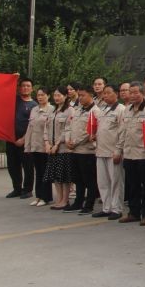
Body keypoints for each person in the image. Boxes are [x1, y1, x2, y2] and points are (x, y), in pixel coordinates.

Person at [120, 81, 145, 226]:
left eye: (136, 92)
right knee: (132, 185)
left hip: (144, 154)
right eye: (131, 92)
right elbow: (123, 131)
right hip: (129, 153)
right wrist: (120, 149)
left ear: (142, 93)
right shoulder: (127, 110)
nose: (133, 95)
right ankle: (133, 212)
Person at [92, 83, 125, 220]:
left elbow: (122, 132)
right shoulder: (103, 109)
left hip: (113, 152)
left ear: (116, 94)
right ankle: (106, 207)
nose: (105, 96)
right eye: (104, 93)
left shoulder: (121, 109)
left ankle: (116, 208)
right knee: (103, 182)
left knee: (116, 181)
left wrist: (118, 150)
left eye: (108, 93)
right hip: (101, 150)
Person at [65, 85, 99, 215]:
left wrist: (75, 142)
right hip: (74, 150)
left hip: (87, 151)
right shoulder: (77, 110)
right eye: (79, 95)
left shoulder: (95, 111)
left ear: (91, 95)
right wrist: (68, 140)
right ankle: (78, 202)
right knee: (77, 178)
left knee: (89, 179)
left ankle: (89, 205)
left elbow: (89, 132)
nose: (80, 98)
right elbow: (69, 126)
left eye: (83, 95)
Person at [23, 88, 55, 207]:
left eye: (43, 95)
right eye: (38, 95)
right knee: (38, 172)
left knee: (45, 172)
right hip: (35, 145)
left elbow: (51, 129)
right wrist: (27, 145)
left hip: (45, 146)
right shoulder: (34, 109)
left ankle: (46, 197)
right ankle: (38, 196)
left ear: (48, 96)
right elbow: (29, 128)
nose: (40, 97)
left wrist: (50, 144)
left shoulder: (52, 109)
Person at [44, 88, 74, 210]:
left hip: (63, 148)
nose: (56, 98)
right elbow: (46, 128)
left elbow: (67, 129)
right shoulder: (52, 110)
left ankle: (65, 200)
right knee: (56, 176)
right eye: (55, 95)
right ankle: (59, 199)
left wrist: (57, 144)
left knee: (64, 176)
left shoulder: (69, 110)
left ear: (65, 96)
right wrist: (47, 143)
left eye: (59, 95)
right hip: (52, 149)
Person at [6, 77, 37, 199]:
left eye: (28, 86)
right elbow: (5, 91)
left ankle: (27, 190)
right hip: (11, 139)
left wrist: (23, 139)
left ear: (32, 89)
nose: (25, 88)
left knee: (28, 166)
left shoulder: (34, 105)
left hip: (27, 141)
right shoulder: (15, 100)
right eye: (23, 86)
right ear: (19, 88)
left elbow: (32, 125)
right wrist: (13, 79)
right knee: (12, 166)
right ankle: (17, 189)